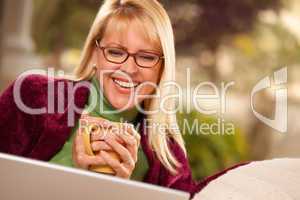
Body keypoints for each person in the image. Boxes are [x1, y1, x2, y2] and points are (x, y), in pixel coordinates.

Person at [0, 0, 246, 199]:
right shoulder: (34, 96)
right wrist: (72, 173)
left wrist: (117, 193)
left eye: (147, 57)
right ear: (96, 54)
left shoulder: (168, 159)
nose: (128, 68)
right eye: (116, 52)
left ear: (163, 68)